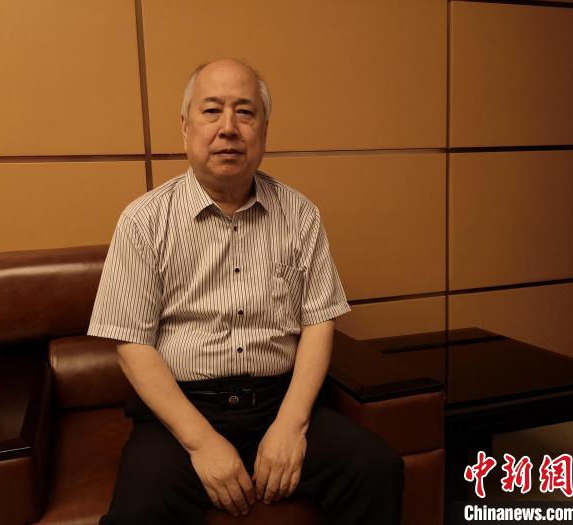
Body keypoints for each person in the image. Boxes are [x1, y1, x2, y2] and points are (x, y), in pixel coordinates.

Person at [88, 58, 403, 525]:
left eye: (245, 112)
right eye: (212, 110)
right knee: (139, 511)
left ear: (264, 130)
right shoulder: (143, 221)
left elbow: (319, 321)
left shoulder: (300, 214)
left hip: (278, 401)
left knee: (376, 470)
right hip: (183, 412)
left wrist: (291, 426)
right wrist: (202, 443)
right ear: (185, 127)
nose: (229, 128)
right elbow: (132, 345)